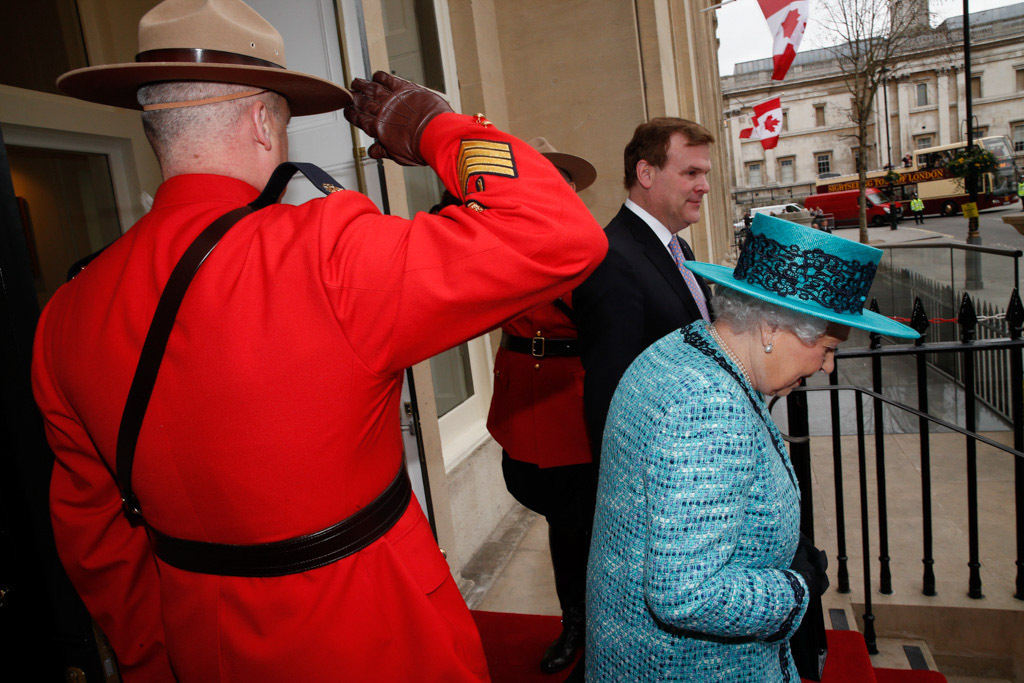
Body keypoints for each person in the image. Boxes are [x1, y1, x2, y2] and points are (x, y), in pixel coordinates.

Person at [31, 0, 607, 680]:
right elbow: (562, 233)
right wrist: (433, 127)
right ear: (260, 121)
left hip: (203, 646)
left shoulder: (67, 311)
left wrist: (158, 660)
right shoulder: (328, 252)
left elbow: (97, 540)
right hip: (379, 637)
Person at [585, 214, 919, 681]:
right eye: (826, 348)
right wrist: (796, 589)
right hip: (689, 667)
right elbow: (687, 594)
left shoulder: (687, 349)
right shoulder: (707, 407)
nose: (827, 368)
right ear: (771, 330)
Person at [486, 137, 598, 674]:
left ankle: (580, 624)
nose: (558, 187)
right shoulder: (500, 236)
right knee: (537, 493)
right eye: (546, 177)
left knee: (574, 519)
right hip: (522, 394)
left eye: (564, 180)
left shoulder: (591, 246)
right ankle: (580, 619)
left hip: (569, 396)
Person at [574, 117, 714, 458]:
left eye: (705, 174)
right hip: (660, 471)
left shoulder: (679, 250)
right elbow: (611, 396)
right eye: (691, 173)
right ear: (646, 174)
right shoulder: (611, 260)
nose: (705, 186)